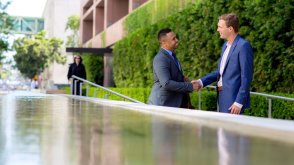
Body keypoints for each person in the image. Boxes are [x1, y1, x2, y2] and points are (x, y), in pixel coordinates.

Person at [192, 13, 253, 114]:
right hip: (222, 97)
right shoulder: (225, 45)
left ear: (230, 29)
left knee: (230, 130)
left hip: (233, 101)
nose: (217, 30)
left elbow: (246, 76)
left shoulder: (243, 46)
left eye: (220, 27)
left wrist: (239, 102)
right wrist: (201, 82)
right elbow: (221, 72)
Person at [148, 28, 198, 108]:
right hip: (162, 106)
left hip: (172, 105)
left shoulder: (171, 55)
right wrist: (190, 86)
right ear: (164, 42)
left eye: (176, 37)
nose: (177, 40)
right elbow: (166, 83)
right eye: (173, 39)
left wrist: (182, 79)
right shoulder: (160, 58)